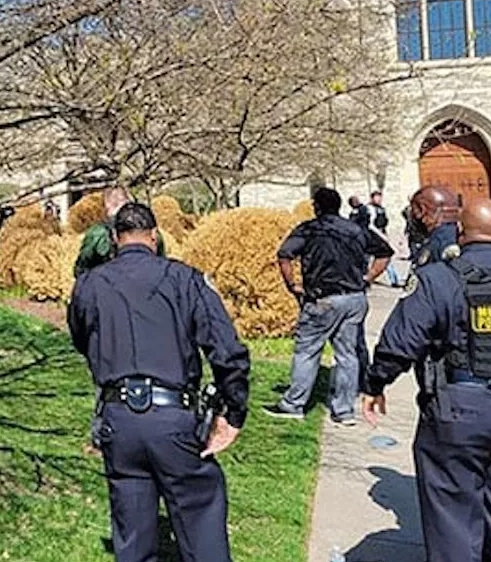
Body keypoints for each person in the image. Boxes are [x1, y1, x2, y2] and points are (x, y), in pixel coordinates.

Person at [68, 203, 250, 562]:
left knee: (133, 533)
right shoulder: (184, 280)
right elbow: (227, 350)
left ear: (115, 239)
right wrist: (234, 412)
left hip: (119, 418)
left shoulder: (90, 284)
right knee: (199, 518)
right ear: (154, 236)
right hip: (173, 418)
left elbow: (80, 336)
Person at [361, 198, 491, 562]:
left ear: (461, 232)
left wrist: (376, 384)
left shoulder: (440, 278)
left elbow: (401, 340)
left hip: (460, 410)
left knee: (453, 519)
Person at [264, 187, 393, 426]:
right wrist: (368, 277)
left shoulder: (310, 229)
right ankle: (344, 411)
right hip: (354, 298)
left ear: (317, 207)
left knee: (307, 351)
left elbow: (284, 255)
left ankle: (294, 404)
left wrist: (293, 285)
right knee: (347, 354)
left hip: (323, 299)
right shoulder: (355, 229)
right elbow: (385, 252)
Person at [74, 187, 165, 276]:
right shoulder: (151, 232)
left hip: (106, 281)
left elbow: (81, 269)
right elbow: (162, 266)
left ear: (107, 205)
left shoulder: (97, 233)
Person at [409, 185, 461, 268]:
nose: (414, 215)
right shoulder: (460, 235)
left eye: (414, 210)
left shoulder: (438, 243)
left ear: (423, 210)